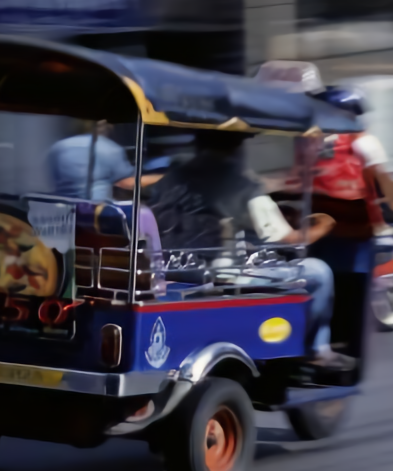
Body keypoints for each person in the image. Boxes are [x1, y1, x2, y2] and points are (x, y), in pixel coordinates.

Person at [147, 129, 355, 371]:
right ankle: (317, 351)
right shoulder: (242, 185)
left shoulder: (173, 178)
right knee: (319, 271)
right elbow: (289, 239)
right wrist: (325, 224)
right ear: (238, 147)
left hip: (174, 271)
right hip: (222, 275)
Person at [47, 120, 161, 201]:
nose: (111, 127)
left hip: (64, 212)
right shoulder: (109, 148)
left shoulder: (57, 148)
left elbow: (52, 178)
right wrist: (163, 177)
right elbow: (127, 183)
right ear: (102, 125)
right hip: (96, 214)